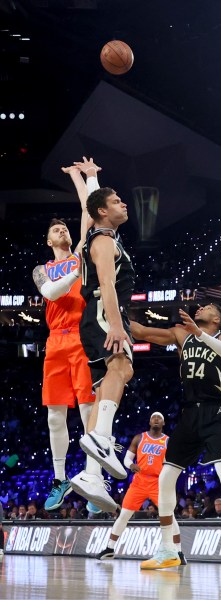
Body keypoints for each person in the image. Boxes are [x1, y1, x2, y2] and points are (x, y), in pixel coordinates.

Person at [130, 305, 221, 573]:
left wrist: (202, 335)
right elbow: (141, 331)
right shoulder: (182, 335)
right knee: (165, 477)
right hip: (189, 412)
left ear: (216, 319)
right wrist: (109, 312)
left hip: (217, 411)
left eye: (207, 307)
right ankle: (169, 549)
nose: (201, 307)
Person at [32, 158, 100, 512]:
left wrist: (82, 177)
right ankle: (60, 479)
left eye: (65, 228)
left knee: (88, 410)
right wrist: (78, 271)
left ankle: (90, 477)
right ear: (48, 240)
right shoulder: (43, 269)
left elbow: (88, 211)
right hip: (55, 343)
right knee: (54, 416)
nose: (61, 229)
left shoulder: (78, 254)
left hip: (80, 337)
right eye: (55, 229)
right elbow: (51, 294)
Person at [70, 183, 135, 511]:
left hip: (101, 314)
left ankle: (91, 474)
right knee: (120, 367)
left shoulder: (106, 236)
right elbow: (107, 284)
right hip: (101, 313)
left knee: (109, 386)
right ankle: (99, 439)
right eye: (116, 201)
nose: (123, 203)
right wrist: (115, 324)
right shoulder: (104, 239)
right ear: (102, 212)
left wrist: (91, 178)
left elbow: (90, 205)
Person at [95, 412, 186, 565]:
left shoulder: (168, 441)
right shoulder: (139, 438)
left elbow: (172, 463)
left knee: (170, 517)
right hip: (139, 482)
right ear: (150, 422)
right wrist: (131, 465)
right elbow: (126, 459)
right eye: (153, 418)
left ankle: (178, 552)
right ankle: (109, 549)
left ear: (163, 423)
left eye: (159, 418)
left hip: (159, 483)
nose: (156, 419)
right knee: (123, 515)